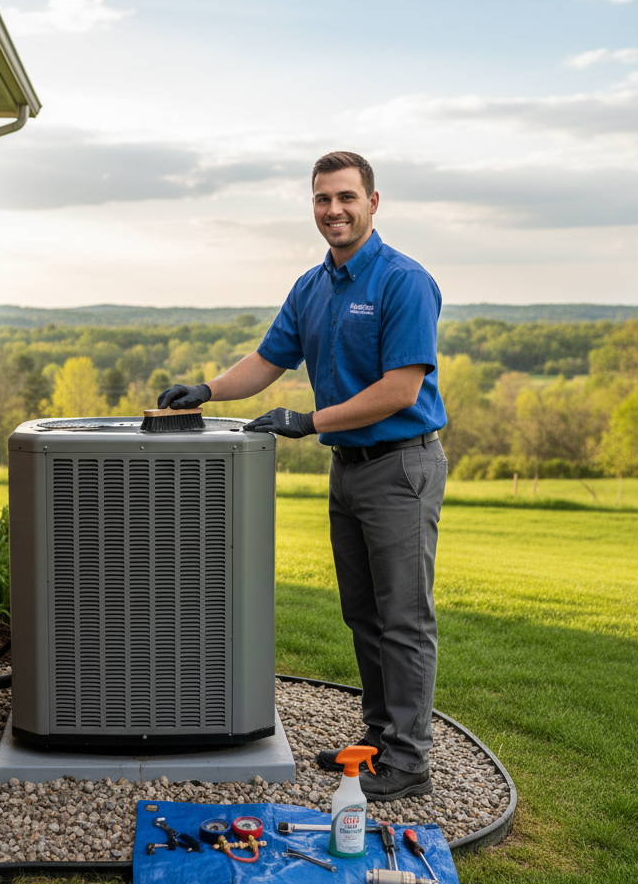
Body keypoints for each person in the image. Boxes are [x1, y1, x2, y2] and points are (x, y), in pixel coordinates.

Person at [157, 151, 447, 802]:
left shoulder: (404, 282)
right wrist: (205, 389)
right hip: (349, 471)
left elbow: (400, 390)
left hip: (402, 466)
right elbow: (266, 360)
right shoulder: (313, 287)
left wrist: (309, 419)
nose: (334, 210)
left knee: (403, 617)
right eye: (322, 199)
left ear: (374, 203)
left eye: (346, 197)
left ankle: (410, 759)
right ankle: (377, 740)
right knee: (364, 615)